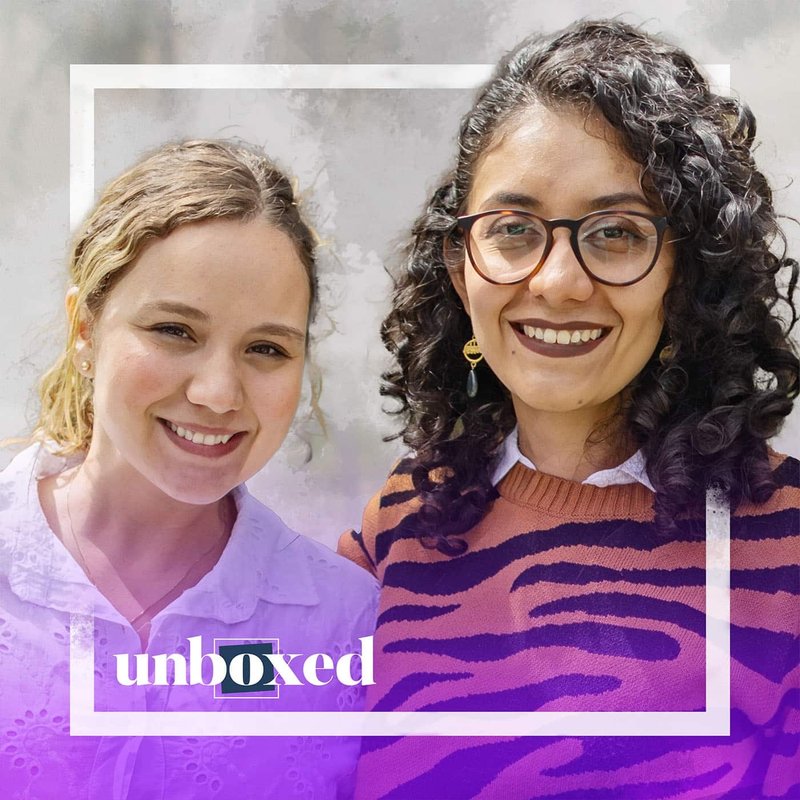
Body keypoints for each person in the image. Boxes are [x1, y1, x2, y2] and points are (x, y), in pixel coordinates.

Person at [338, 20, 799, 800]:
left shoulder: (785, 539)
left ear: (688, 273)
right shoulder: (400, 524)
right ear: (460, 266)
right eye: (513, 229)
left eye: (616, 233)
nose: (556, 281)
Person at [0, 139, 377, 799]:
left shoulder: (347, 624)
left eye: (266, 347)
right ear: (84, 329)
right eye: (175, 331)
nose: (218, 393)